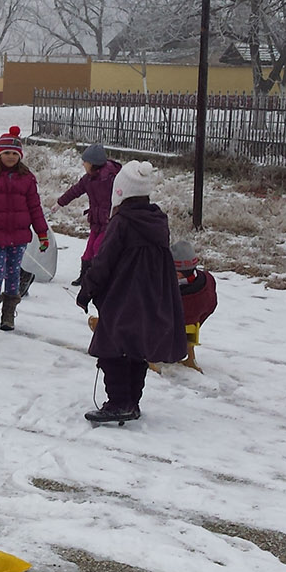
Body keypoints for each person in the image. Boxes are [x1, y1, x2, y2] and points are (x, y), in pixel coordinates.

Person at [75, 161, 185, 423]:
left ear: (120, 192)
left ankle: (117, 403)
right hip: (151, 296)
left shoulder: (122, 222)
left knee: (111, 348)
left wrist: (87, 290)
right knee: (135, 349)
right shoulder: (157, 220)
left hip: (123, 295)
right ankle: (132, 402)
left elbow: (104, 261)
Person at [0, 127, 50, 333]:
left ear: (20, 156)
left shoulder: (26, 178)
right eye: (6, 153)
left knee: (13, 274)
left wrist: (42, 233)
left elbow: (35, 208)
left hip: (19, 237)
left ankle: (8, 315)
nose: (10, 157)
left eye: (14, 154)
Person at [57, 143, 122, 287]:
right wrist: (60, 203)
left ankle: (98, 278)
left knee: (98, 248)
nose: (83, 164)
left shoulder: (110, 179)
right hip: (96, 220)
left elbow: (122, 195)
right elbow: (75, 191)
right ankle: (85, 276)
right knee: (89, 249)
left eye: (85, 162)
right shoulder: (88, 179)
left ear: (93, 163)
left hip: (108, 221)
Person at [168, 240, 218, 372]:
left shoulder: (168, 292)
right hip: (192, 324)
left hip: (166, 328)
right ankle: (190, 356)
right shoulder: (208, 282)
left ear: (177, 273)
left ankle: (149, 356)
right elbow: (212, 306)